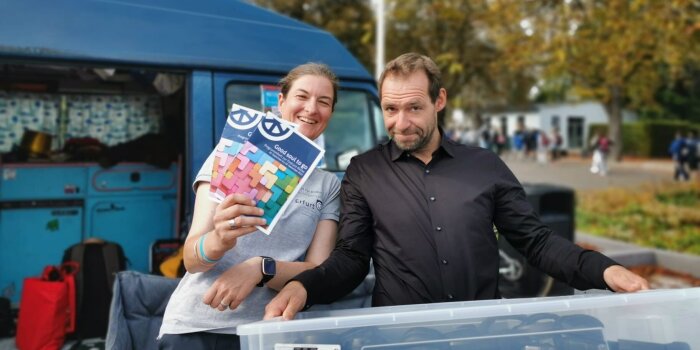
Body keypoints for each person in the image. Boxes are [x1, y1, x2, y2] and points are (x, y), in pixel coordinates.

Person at [264, 53, 649, 320]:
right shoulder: (364, 172)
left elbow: (537, 241)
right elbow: (350, 261)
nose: (401, 123)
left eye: (414, 107)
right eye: (390, 109)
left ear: (439, 100)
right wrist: (305, 287)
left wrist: (605, 271)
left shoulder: (485, 166)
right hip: (401, 336)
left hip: (482, 332)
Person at [158, 63, 342, 349]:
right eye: (302, 96)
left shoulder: (328, 185)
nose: (311, 108)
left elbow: (318, 270)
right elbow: (192, 260)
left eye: (324, 102)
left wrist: (261, 268)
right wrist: (218, 240)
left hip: (269, 331)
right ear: (282, 101)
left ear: (331, 113)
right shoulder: (231, 154)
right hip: (198, 327)